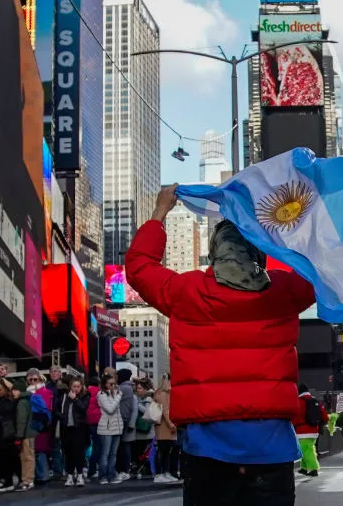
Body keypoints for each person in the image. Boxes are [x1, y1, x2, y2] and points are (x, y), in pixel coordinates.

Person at [125, 185, 316, 506]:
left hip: (207, 448)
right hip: (271, 450)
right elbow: (321, 270)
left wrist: (160, 212)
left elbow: (140, 267)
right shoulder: (284, 293)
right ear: (259, 252)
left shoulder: (186, 292)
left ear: (215, 251)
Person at [55, 377, 90, 486]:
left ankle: (79, 475)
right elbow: (56, 410)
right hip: (66, 428)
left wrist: (75, 399)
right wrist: (63, 417)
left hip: (79, 428)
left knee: (79, 452)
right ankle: (70, 475)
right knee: (68, 453)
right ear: (70, 387)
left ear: (81, 387)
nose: (76, 389)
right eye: (74, 386)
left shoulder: (85, 396)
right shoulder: (63, 397)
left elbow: (83, 408)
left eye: (78, 387)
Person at [293, 384, 328, 477]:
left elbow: (294, 417)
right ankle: (304, 468)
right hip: (314, 430)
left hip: (301, 431)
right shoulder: (315, 401)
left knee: (306, 451)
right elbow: (325, 416)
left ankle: (313, 469)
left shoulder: (298, 401)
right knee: (307, 449)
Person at [26, 368, 54, 483]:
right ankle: (39, 475)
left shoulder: (46, 392)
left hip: (41, 425)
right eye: (30, 379)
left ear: (39, 378)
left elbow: (47, 409)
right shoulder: (28, 392)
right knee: (34, 451)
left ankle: (43, 475)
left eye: (35, 379)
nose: (33, 381)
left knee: (40, 451)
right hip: (31, 424)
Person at [96, 376, 124, 485]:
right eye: (110, 384)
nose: (113, 386)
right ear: (105, 384)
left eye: (114, 384)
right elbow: (110, 409)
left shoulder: (114, 394)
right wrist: (118, 396)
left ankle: (111, 475)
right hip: (106, 428)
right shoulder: (101, 395)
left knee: (113, 454)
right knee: (105, 454)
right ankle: (102, 476)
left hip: (116, 428)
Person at [13, 378, 40, 491]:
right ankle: (26, 480)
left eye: (14, 390)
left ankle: (28, 481)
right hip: (30, 433)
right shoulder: (27, 399)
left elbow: (21, 421)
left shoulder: (22, 402)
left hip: (26, 434)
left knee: (27, 458)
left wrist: (19, 436)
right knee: (26, 458)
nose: (12, 392)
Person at [153, 374, 179, 484]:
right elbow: (166, 411)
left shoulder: (161, 393)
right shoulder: (163, 394)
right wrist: (171, 425)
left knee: (166, 450)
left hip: (163, 427)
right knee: (163, 450)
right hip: (164, 427)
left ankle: (164, 472)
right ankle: (160, 474)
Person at [116, 368, 137, 481]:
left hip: (121, 419)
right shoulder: (129, 388)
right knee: (124, 445)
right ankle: (125, 469)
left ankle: (123, 469)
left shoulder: (122, 388)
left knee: (121, 446)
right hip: (126, 419)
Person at [132, 379, 156, 478]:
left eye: (140, 388)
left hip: (146, 432)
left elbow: (148, 412)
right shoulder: (141, 399)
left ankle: (144, 470)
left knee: (143, 452)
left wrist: (137, 405)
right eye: (137, 388)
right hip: (141, 432)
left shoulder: (149, 399)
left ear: (146, 389)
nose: (138, 390)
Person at [86, 375, 102, 481]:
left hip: (86, 422)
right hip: (97, 422)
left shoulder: (85, 392)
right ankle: (92, 469)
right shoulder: (99, 393)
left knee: (87, 446)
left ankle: (84, 467)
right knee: (97, 446)